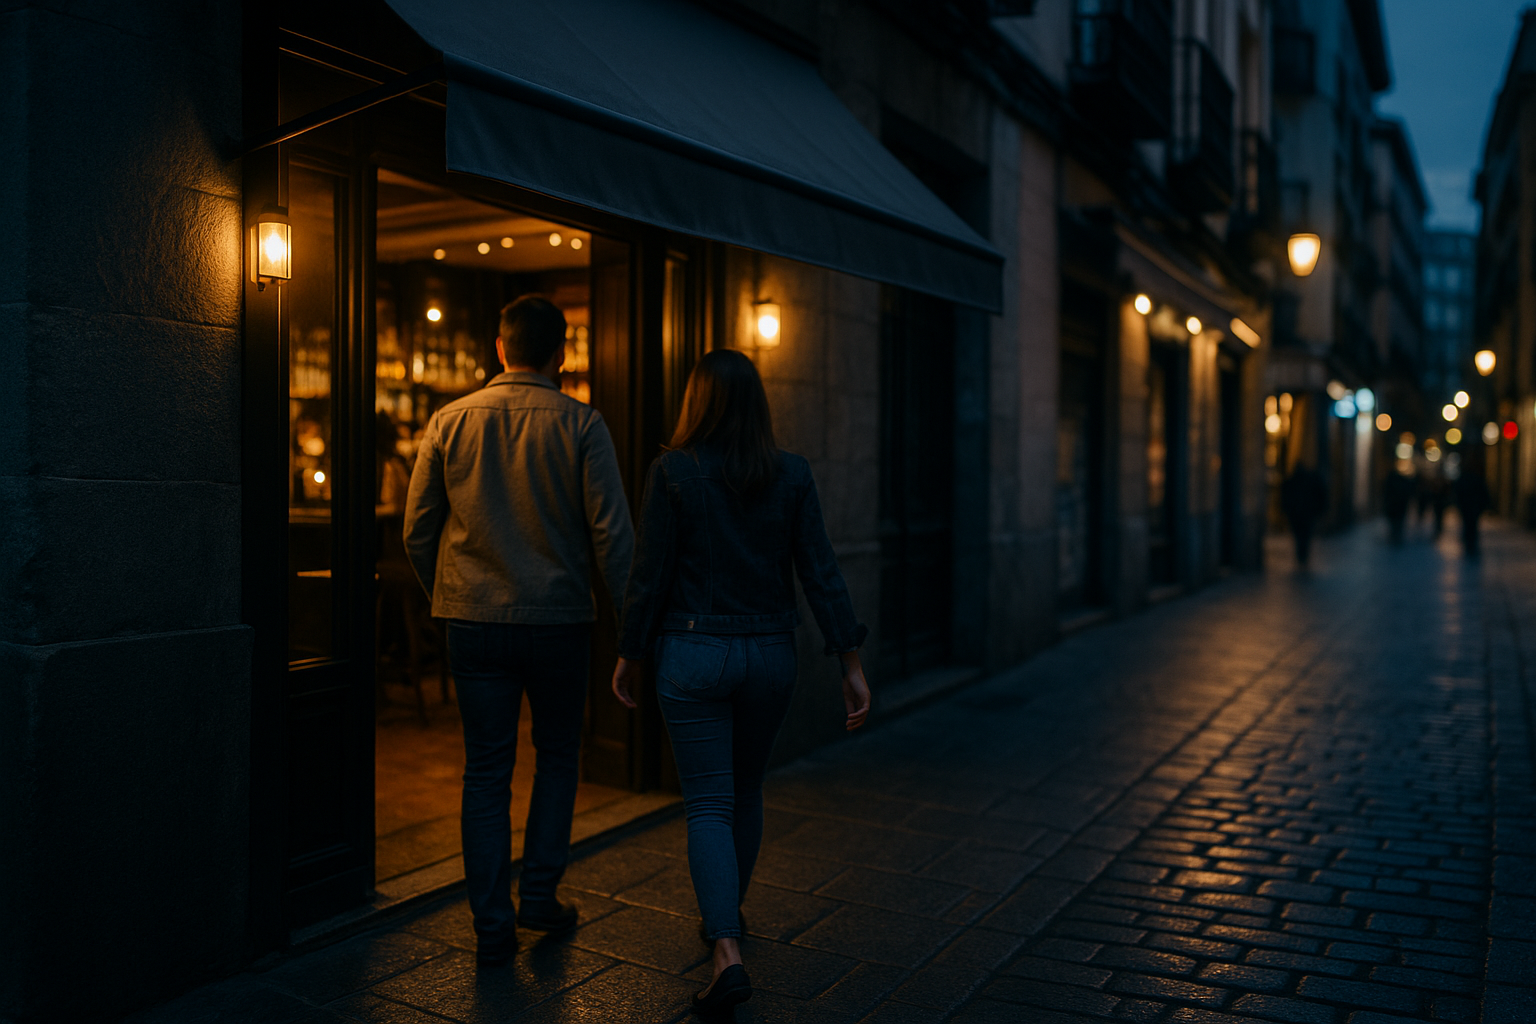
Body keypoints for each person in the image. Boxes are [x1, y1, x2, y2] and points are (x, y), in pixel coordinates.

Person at [611, 350, 872, 1016]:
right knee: (747, 789)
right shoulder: (790, 474)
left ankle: (725, 949)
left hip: (692, 651)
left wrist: (630, 652)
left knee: (706, 803)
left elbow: (650, 574)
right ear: (759, 404)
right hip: (768, 653)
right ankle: (728, 914)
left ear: (696, 403)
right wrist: (850, 662)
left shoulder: (672, 472)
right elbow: (821, 569)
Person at [403, 295, 634, 967]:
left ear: (499, 349)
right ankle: (539, 898)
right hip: (560, 621)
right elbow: (614, 539)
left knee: (486, 771)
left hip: (472, 620)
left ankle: (490, 924)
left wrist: (447, 592)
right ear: (562, 354)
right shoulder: (584, 425)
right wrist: (630, 631)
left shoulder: (449, 420)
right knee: (559, 757)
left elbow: (419, 529)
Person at [1280, 463, 1327, 566]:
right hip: (1306, 514)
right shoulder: (1309, 481)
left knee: (1299, 536)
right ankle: (1303, 555)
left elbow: (1285, 498)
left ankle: (1301, 555)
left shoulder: (1292, 481)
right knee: (1305, 536)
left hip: (1297, 514)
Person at [1455, 453, 1491, 557]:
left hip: (1468, 507)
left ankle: (1469, 544)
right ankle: (1471, 545)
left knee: (1468, 525)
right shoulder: (1476, 478)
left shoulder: (1464, 478)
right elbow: (1484, 493)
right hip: (1473, 507)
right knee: (1472, 525)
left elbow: (1458, 491)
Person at [1383, 468, 1415, 545]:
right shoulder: (1402, 485)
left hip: (1394, 507)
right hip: (1399, 507)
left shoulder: (1390, 484)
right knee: (1398, 523)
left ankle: (1394, 537)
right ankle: (1397, 537)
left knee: (1394, 523)